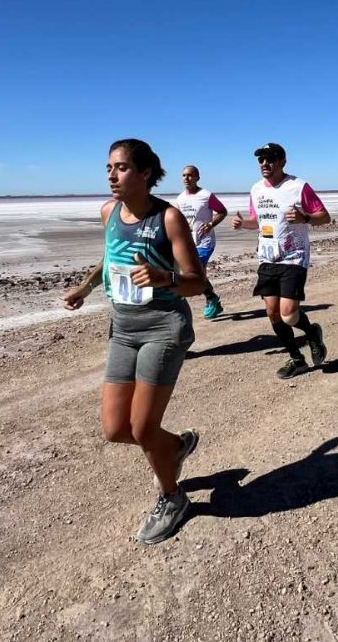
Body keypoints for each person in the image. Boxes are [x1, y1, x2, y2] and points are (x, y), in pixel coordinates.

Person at [62, 139, 206, 545]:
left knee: (142, 428)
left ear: (145, 174)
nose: (111, 175)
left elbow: (198, 282)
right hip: (123, 329)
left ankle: (173, 497)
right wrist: (87, 287)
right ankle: (176, 446)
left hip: (164, 327)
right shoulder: (108, 212)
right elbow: (110, 257)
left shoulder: (169, 218)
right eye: (109, 167)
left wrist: (165, 279)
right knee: (114, 429)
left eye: (121, 167)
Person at [231, 142, 330, 379]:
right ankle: (297, 359)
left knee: (288, 314)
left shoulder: (298, 186)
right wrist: (244, 224)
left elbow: (324, 217)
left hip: (293, 257)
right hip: (267, 257)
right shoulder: (256, 190)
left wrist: (305, 217)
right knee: (273, 314)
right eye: (261, 160)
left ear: (282, 162)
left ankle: (312, 333)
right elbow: (258, 221)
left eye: (271, 158)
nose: (265, 163)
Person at [175, 165, 228, 319]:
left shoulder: (206, 195)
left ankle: (211, 299)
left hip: (205, 242)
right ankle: (211, 298)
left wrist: (211, 224)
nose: (187, 178)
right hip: (188, 242)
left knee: (196, 271)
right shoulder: (180, 198)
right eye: (184, 175)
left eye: (190, 175)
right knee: (197, 275)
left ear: (197, 177)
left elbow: (222, 211)